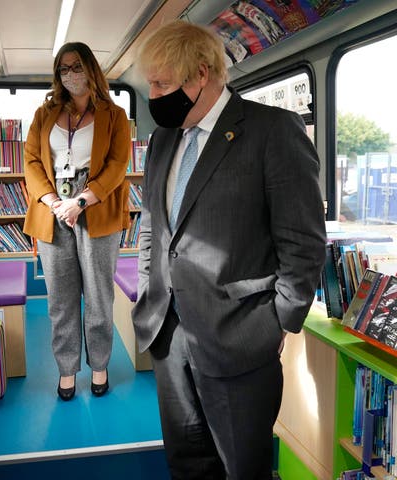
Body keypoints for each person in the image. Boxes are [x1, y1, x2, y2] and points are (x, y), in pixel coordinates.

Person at [131, 21, 326, 480]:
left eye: (162, 83)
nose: (153, 95)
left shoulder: (272, 130)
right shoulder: (163, 139)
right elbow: (153, 227)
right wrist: (148, 286)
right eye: (150, 84)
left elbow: (303, 240)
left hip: (241, 337)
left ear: (201, 75)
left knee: (243, 467)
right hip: (167, 331)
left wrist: (279, 320)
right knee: (186, 462)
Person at [23, 42, 130, 400]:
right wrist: (54, 201)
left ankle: (100, 366)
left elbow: (117, 165)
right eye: (63, 69)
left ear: (91, 69)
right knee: (61, 299)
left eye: (76, 67)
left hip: (96, 206)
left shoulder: (114, 115)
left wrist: (81, 201)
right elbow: (32, 162)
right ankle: (66, 371)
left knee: (99, 296)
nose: (70, 75)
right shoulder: (44, 114)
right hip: (53, 209)